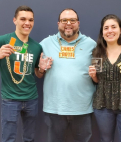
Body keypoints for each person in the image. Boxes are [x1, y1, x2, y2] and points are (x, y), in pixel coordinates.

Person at [0, 5, 52, 142]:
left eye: (30, 20)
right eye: (23, 19)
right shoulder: (3, 41)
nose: (27, 23)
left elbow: (38, 74)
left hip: (31, 99)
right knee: (8, 138)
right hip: (10, 99)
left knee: (30, 138)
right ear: (14, 20)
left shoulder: (36, 46)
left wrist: (41, 69)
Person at [39, 8, 96, 142]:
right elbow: (38, 73)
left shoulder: (91, 44)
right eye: (64, 20)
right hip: (55, 108)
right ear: (58, 23)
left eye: (72, 20)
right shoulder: (45, 44)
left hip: (83, 108)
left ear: (78, 23)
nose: (68, 23)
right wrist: (41, 69)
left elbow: (98, 75)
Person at [88, 14, 121, 142]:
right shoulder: (97, 52)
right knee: (105, 139)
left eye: (113, 27)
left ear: (120, 29)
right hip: (103, 105)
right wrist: (94, 76)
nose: (110, 31)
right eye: (106, 28)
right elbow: (97, 81)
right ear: (102, 32)